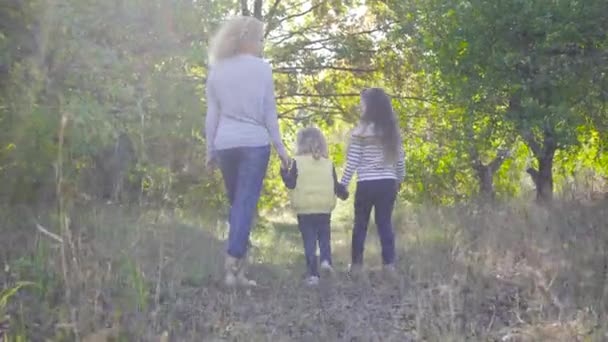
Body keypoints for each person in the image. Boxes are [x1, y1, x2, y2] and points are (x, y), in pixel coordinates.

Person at [205, 16, 290, 287]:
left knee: (238, 206)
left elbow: (212, 114)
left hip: (225, 143)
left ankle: (239, 272)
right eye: (261, 39)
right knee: (244, 205)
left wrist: (210, 148)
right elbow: (269, 112)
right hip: (255, 143)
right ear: (249, 40)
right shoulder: (263, 69)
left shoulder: (217, 70)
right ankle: (232, 263)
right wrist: (281, 148)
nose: (262, 45)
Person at [340, 88, 405, 279]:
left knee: (360, 224)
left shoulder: (360, 131)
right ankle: (389, 265)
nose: (361, 106)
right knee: (384, 223)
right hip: (387, 183)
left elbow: (353, 159)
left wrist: (343, 184)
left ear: (369, 106)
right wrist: (399, 179)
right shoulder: (392, 131)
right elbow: (400, 159)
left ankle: (357, 265)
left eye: (363, 103)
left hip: (366, 184)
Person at [280, 127, 348, 286]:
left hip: (305, 209)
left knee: (309, 241)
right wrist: (343, 193)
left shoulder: (297, 162)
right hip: (324, 207)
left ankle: (313, 275)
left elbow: (290, 183)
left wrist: (283, 171)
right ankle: (325, 260)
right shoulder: (328, 163)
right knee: (324, 237)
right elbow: (335, 185)